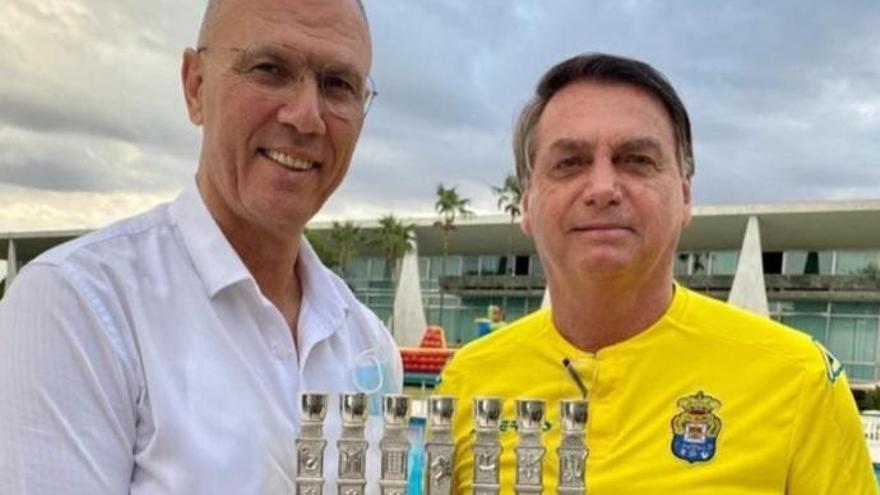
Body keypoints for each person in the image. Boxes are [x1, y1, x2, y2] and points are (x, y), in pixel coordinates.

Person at [0, 0, 402, 493]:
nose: (306, 117)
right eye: (270, 69)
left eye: (338, 84)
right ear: (195, 86)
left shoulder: (366, 342)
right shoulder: (78, 307)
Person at [436, 53, 877, 494]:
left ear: (685, 195)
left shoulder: (799, 380)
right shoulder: (470, 380)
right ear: (527, 203)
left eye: (637, 160)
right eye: (570, 162)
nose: (603, 188)